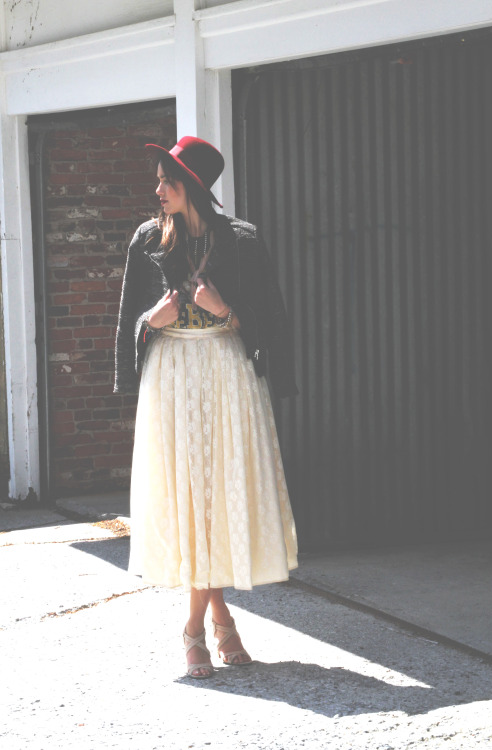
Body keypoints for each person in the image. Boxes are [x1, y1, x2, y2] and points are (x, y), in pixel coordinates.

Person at [114, 136, 298, 678]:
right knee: (189, 497)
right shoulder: (147, 239)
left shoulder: (241, 241)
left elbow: (274, 324)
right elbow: (131, 321)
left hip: (226, 376)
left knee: (216, 496)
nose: (157, 190)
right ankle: (218, 622)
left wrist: (230, 313)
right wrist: (154, 320)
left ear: (190, 186)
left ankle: (196, 628)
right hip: (172, 377)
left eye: (166, 181)